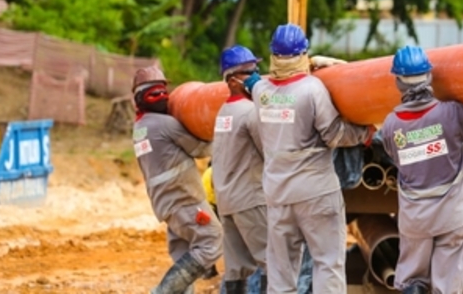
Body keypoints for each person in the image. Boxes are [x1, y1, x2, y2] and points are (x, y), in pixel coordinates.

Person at [250, 23, 376, 293]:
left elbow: (258, 82)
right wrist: (365, 134)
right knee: (327, 263)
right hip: (315, 192)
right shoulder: (312, 88)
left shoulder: (260, 91)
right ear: (303, 54)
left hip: (277, 193)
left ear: (273, 53)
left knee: (281, 269)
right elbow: (334, 134)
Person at [380, 45, 463, 294]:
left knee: (412, 280)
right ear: (429, 77)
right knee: (448, 281)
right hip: (452, 214)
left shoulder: (390, 126)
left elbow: (393, 154)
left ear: (398, 82)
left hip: (415, 216)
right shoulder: (451, 113)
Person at [131, 65, 223, 294]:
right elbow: (201, 149)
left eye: (164, 92)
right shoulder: (164, 124)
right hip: (185, 199)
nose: (162, 97)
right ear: (141, 98)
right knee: (212, 240)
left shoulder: (140, 127)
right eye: (155, 93)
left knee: (183, 252)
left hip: (167, 204)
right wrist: (221, 132)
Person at [212, 45, 268, 294]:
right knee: (274, 262)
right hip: (250, 200)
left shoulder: (223, 112)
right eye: (250, 72)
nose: (257, 76)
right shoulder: (250, 113)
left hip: (227, 201)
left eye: (257, 69)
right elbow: (270, 153)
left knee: (236, 270)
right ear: (233, 81)